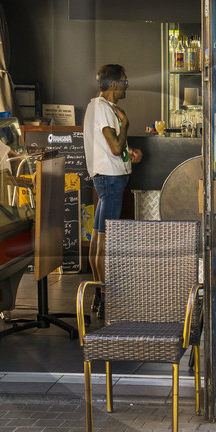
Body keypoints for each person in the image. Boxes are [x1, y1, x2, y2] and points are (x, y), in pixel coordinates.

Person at [83, 63, 141, 283]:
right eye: (124, 81)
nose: (127, 86)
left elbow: (115, 148)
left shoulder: (98, 106)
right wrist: (125, 123)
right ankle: (107, 297)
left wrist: (131, 152)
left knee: (99, 237)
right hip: (111, 180)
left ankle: (100, 295)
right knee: (108, 242)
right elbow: (115, 147)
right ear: (115, 83)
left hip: (108, 179)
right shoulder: (103, 108)